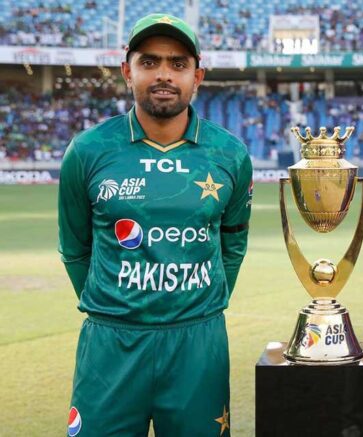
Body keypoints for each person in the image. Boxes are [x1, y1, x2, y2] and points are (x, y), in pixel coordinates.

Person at [58, 13, 252, 437]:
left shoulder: (230, 154)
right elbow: (75, 248)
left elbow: (233, 245)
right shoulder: (88, 150)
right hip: (111, 343)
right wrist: (117, 304)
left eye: (178, 64)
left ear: (197, 76)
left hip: (198, 343)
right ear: (127, 71)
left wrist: (196, 305)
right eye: (150, 62)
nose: (164, 75)